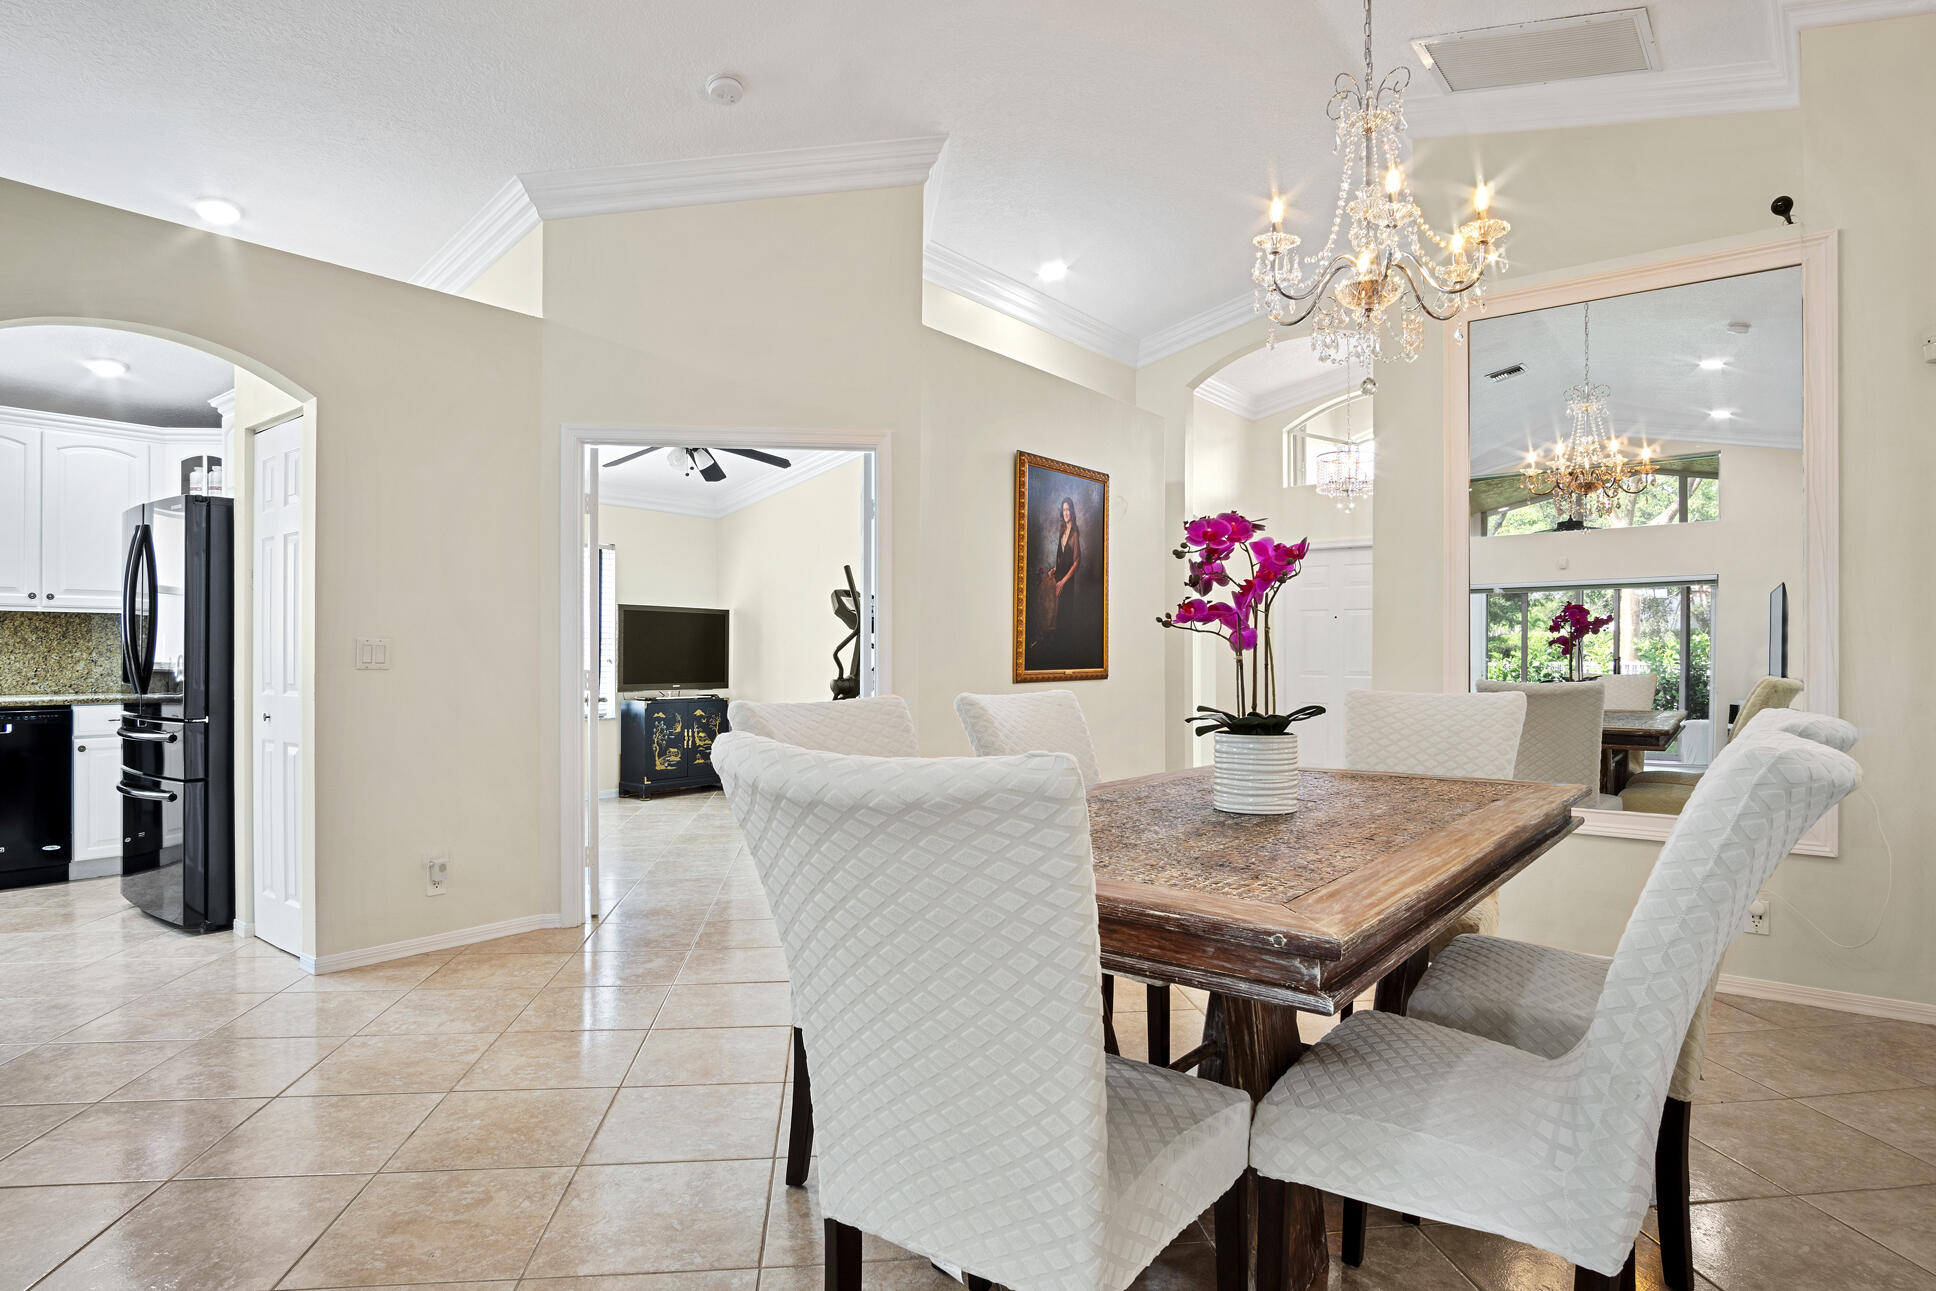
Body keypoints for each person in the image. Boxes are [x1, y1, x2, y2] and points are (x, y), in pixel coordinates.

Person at [1035, 497, 1081, 645]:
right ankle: (1056, 647)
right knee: (1056, 615)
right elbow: (1063, 558)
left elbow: (1076, 562)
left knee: (1064, 617)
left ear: (1072, 511)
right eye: (1064, 510)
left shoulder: (1074, 533)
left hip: (1066, 581)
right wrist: (1055, 570)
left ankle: (1064, 651)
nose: (1066, 512)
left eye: (1068, 509)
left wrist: (1062, 582)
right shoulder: (1063, 530)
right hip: (1059, 578)